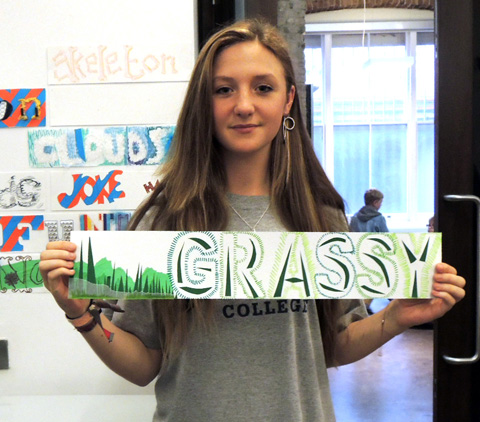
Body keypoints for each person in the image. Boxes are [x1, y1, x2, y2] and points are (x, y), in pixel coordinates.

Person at [39, 20, 466, 422]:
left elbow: (334, 344)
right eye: (224, 89)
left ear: (288, 100)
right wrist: (82, 316)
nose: (244, 105)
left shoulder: (321, 215)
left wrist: (397, 316)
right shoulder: (166, 218)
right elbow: (143, 365)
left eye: (263, 87)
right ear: (204, 103)